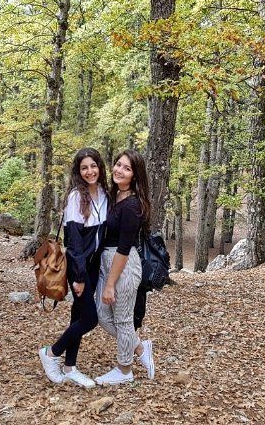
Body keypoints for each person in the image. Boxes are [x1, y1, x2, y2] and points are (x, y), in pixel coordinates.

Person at [38, 147, 109, 388]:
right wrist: (78, 278)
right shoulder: (76, 197)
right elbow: (74, 244)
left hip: (94, 267)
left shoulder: (102, 193)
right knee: (89, 319)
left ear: (100, 167)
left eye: (93, 166)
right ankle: (51, 353)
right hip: (80, 268)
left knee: (78, 315)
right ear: (78, 172)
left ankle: (70, 367)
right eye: (84, 168)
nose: (90, 171)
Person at [95, 149, 155, 385]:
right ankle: (140, 348)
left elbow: (123, 247)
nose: (119, 170)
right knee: (101, 315)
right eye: (118, 164)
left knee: (122, 320)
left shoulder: (132, 205)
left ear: (135, 175)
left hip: (124, 264)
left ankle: (124, 370)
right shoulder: (114, 195)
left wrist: (110, 283)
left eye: (127, 168)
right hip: (106, 262)